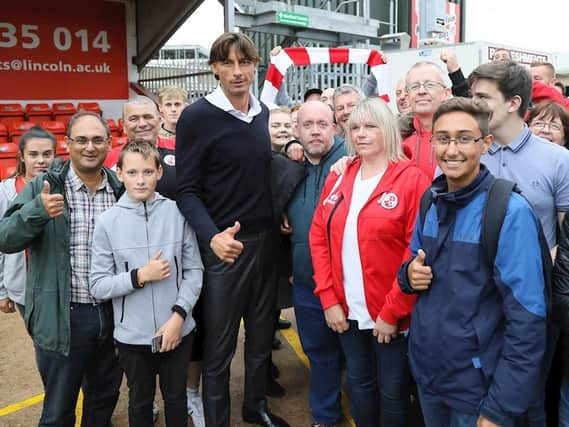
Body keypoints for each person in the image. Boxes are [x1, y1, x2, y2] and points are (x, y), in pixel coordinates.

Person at [399, 97, 547, 427]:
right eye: (443, 138)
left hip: (479, 390)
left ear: (486, 144)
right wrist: (409, 275)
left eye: (465, 138)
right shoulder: (431, 200)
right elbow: (410, 263)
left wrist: (500, 408)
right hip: (430, 378)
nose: (452, 150)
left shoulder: (510, 213)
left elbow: (528, 320)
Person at [176, 32, 290, 427]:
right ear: (215, 68)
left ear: (255, 65)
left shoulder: (260, 112)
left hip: (265, 244)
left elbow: (259, 172)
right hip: (224, 248)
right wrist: (212, 237)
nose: (238, 71)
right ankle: (217, 419)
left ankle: (255, 406)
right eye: (228, 63)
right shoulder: (197, 116)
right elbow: (187, 190)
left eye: (245, 62)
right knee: (219, 348)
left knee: (260, 341)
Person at [309, 97, 429, 427]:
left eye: (370, 126)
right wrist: (329, 299)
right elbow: (318, 237)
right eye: (355, 127)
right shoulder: (340, 175)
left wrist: (392, 312)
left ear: (388, 130)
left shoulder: (411, 179)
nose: (361, 134)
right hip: (346, 308)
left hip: (391, 312)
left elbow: (414, 252)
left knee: (392, 391)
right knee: (359, 383)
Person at [0, 111, 123, 426]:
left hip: (113, 314)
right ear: (68, 144)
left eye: (97, 139)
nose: (90, 146)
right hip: (62, 316)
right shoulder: (45, 185)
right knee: (57, 412)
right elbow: (5, 237)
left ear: (109, 144)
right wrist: (37, 211)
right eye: (81, 139)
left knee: (102, 403)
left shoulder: (120, 190)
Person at [89, 141, 203, 427]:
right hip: (132, 337)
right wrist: (139, 276)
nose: (141, 180)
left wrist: (178, 316)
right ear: (119, 173)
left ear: (159, 173)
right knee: (140, 401)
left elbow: (194, 270)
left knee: (176, 398)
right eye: (132, 172)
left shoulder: (178, 213)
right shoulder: (107, 222)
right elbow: (98, 286)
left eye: (148, 172)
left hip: (177, 330)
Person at [285, 100, 346, 427]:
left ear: (335, 127)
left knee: (358, 359)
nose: (315, 131)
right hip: (307, 284)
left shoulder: (353, 161)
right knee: (320, 354)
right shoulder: (287, 167)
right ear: (297, 131)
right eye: (307, 125)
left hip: (348, 285)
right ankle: (326, 417)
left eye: (323, 124)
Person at [0, 126, 56, 317]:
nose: (41, 160)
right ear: (22, 156)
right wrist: (1, 290)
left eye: (47, 154)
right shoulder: (5, 192)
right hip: (22, 284)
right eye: (33, 154)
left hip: (56, 283)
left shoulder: (63, 186)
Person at [402, 61, 451, 178]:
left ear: (446, 93)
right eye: (414, 86)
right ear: (407, 97)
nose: (421, 91)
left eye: (430, 85)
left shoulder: (461, 138)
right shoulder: (396, 141)